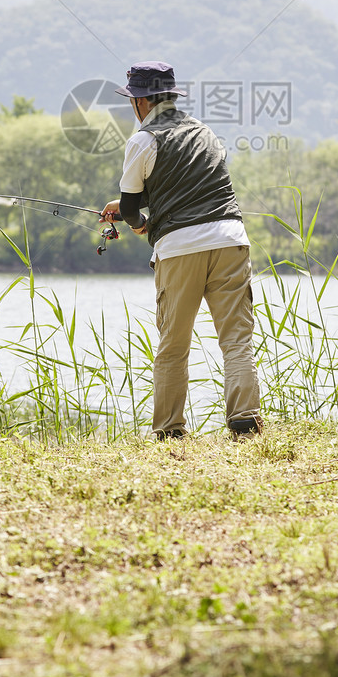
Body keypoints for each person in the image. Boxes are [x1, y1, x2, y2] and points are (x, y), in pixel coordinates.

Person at [100, 61, 263, 440]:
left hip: (180, 249)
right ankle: (243, 419)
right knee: (236, 338)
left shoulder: (143, 139)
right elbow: (186, 187)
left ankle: (170, 429)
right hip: (230, 239)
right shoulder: (204, 132)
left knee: (173, 343)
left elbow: (129, 208)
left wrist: (138, 225)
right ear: (171, 95)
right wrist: (136, 210)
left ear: (140, 102)